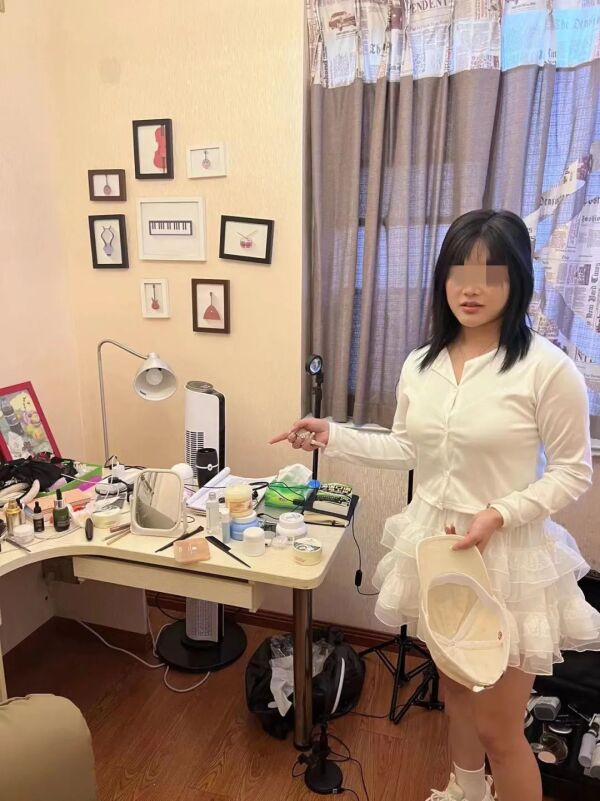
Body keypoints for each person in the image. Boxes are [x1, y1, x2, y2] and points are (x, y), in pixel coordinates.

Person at [271, 209, 600, 801]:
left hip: (508, 558)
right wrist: (332, 435)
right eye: (458, 273)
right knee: (456, 698)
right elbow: (406, 448)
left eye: (491, 275)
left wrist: (500, 513)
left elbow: (573, 472)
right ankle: (465, 791)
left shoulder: (547, 369)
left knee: (501, 729)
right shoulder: (421, 363)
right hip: (440, 550)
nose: (471, 289)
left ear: (518, 280)